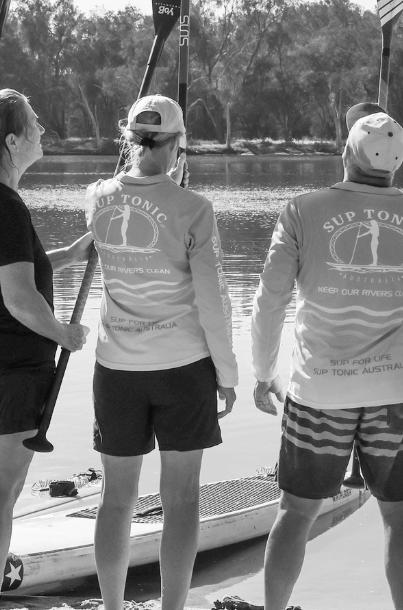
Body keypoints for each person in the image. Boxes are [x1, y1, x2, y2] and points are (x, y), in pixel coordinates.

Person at [249, 105, 403, 610]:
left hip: (319, 391)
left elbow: (270, 299)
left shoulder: (301, 209)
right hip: (398, 392)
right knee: (402, 519)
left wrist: (262, 373)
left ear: (346, 155)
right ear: (396, 163)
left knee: (295, 512)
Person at [0, 89, 93, 610]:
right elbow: (20, 297)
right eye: (34, 123)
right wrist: (62, 334)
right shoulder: (4, 206)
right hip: (6, 366)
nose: (42, 130)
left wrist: (68, 255)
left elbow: (0, 267)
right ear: (11, 140)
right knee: (1, 492)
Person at [85, 96, 238, 610]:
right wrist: (228, 372)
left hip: (116, 370)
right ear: (177, 145)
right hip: (182, 369)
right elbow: (213, 300)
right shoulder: (195, 208)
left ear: (129, 139)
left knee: (116, 499)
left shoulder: (97, 196)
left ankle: (112, 607)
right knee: (181, 500)